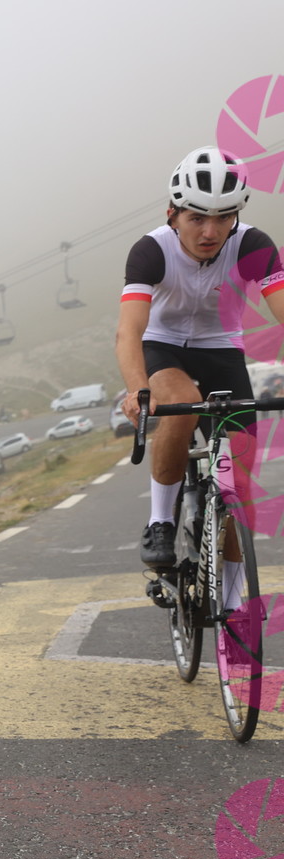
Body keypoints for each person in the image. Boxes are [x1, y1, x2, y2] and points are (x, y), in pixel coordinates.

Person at [117, 147, 284, 612]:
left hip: (221, 350)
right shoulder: (151, 250)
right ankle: (160, 522)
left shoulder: (253, 245)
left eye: (224, 217)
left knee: (238, 487)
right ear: (172, 214)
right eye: (196, 218)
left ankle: (233, 605)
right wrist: (137, 389)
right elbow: (128, 331)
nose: (210, 232)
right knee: (182, 401)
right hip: (162, 345)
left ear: (236, 216)